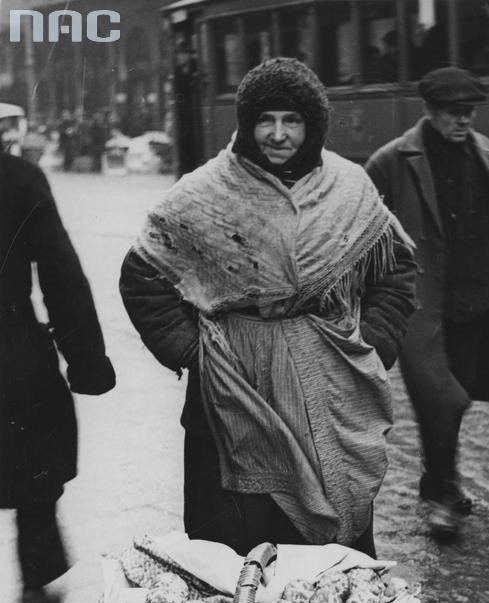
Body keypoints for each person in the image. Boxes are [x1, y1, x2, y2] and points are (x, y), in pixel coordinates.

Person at [120, 57, 417, 558]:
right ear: (246, 124)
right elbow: (142, 275)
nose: (278, 135)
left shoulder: (349, 188)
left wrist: (373, 345)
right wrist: (195, 354)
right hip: (233, 380)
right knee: (237, 533)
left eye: (292, 120)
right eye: (265, 120)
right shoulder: (204, 192)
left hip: (330, 375)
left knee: (331, 533)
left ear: (313, 126)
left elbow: (395, 270)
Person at [365, 66, 489, 539]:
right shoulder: (392, 161)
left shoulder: (487, 155)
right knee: (440, 400)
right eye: (453, 112)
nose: (463, 120)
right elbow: (366, 232)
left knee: (456, 398)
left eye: (469, 111)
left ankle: (437, 480)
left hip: (479, 304)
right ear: (429, 110)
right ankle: (445, 496)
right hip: (425, 310)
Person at [0, 152, 116, 603]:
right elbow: (60, 273)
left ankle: (41, 568)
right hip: (12, 347)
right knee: (33, 463)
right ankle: (39, 568)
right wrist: (86, 359)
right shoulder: (17, 177)